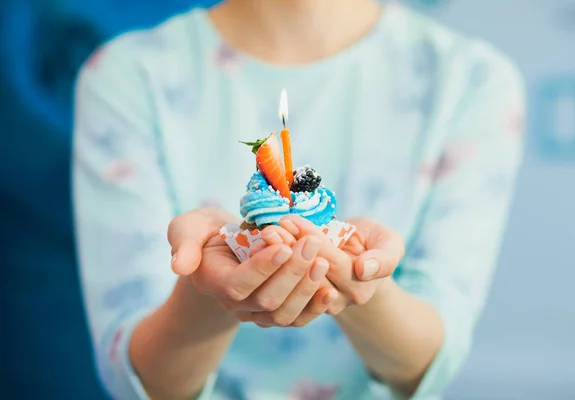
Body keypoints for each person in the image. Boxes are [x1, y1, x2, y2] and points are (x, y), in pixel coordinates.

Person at [73, 0, 525, 399]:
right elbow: (136, 377)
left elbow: (430, 364)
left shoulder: (471, 80)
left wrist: (362, 284)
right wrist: (206, 289)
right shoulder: (129, 74)